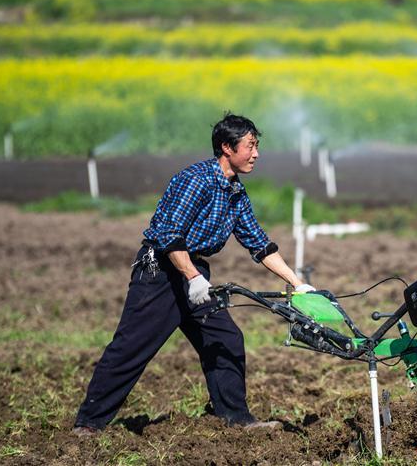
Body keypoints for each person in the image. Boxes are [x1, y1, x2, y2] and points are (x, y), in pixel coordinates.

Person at [73, 113, 314, 435]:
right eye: (251, 146)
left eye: (257, 146)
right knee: (132, 346)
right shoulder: (196, 180)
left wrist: (299, 285)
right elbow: (169, 234)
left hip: (194, 273)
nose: (256, 154)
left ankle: (236, 419)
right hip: (162, 271)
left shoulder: (236, 193)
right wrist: (192, 277)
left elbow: (259, 245)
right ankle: (89, 424)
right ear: (227, 148)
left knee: (226, 338)